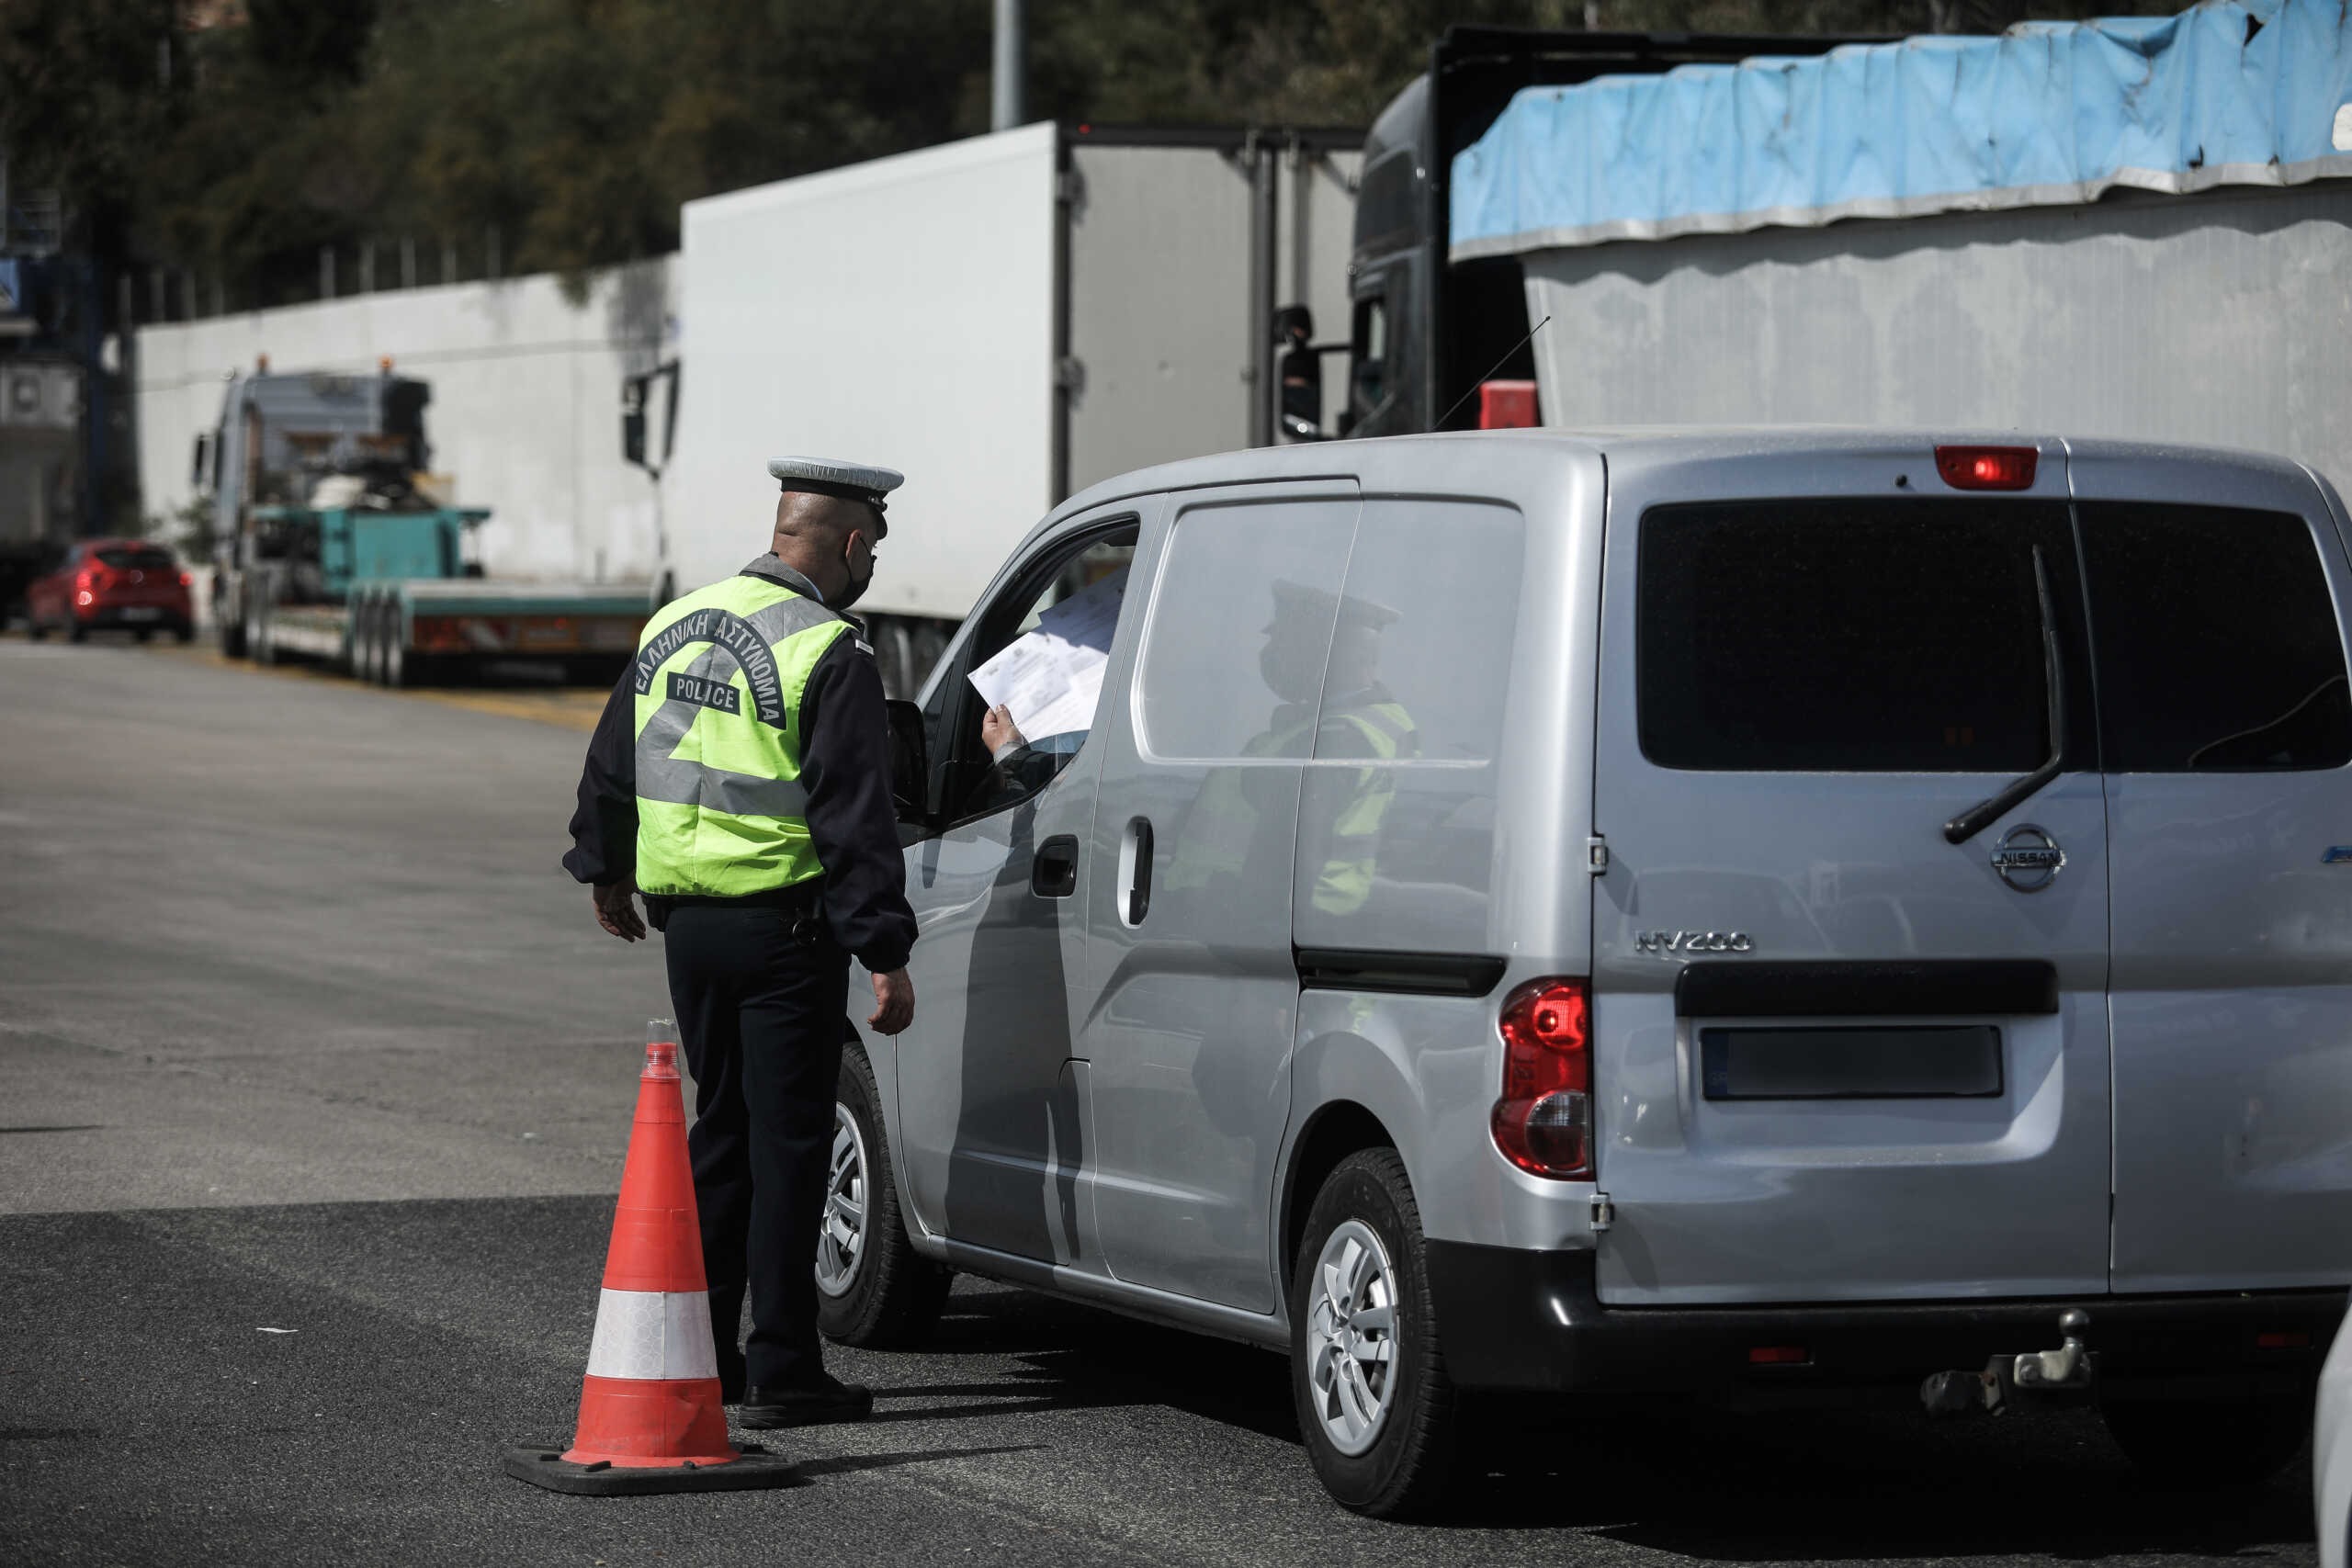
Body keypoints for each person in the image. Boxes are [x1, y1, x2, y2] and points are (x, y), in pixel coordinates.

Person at [562, 456, 920, 1430]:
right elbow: (854, 817)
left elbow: (613, 756)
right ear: (849, 544)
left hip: (690, 932)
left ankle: (708, 1356)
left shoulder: (674, 622)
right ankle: (786, 1368)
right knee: (791, 1149)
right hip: (782, 935)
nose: (874, 563)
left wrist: (604, 864)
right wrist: (884, 949)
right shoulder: (826, 649)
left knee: (719, 1140)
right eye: (873, 547)